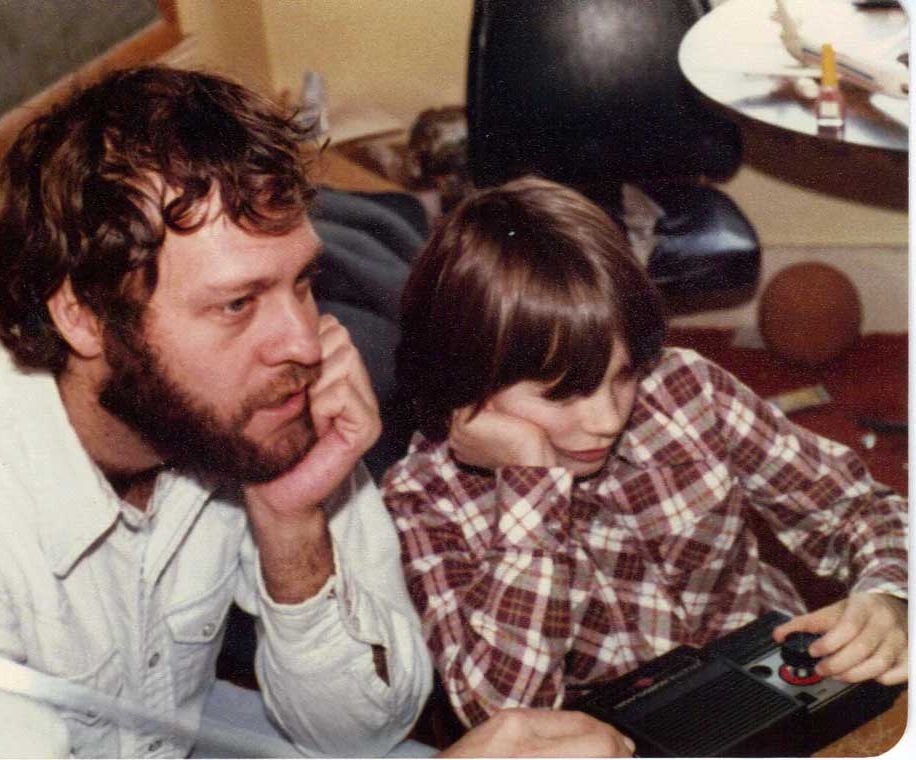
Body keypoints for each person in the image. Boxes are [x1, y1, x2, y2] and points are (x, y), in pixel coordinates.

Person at [0, 66, 634, 760]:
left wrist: (293, 526)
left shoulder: (250, 407)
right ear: (81, 315)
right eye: (237, 304)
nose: (301, 341)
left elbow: (359, 733)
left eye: (299, 282)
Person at [383, 176, 908, 728]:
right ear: (465, 379)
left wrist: (892, 598)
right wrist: (529, 483)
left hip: (775, 680)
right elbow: (504, 719)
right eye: (564, 392)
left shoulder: (686, 389)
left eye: (625, 374)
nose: (607, 419)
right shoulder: (421, 500)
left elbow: (859, 507)